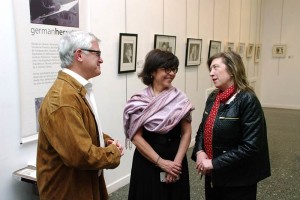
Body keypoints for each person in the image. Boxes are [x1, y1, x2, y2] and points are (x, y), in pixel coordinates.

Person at [37, 30, 124, 200]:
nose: (101, 59)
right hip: (68, 190)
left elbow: (81, 129)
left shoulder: (75, 90)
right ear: (79, 55)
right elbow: (80, 156)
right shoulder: (63, 98)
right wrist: (113, 153)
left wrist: (104, 140)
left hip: (82, 184)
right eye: (97, 53)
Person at [191, 51, 271, 200]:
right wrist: (200, 151)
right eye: (210, 69)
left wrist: (214, 163)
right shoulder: (214, 96)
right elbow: (203, 128)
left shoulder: (247, 99)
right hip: (214, 176)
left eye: (216, 68)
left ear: (232, 70)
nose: (211, 73)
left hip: (238, 180)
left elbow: (251, 146)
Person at [123, 49, 194, 200]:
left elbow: (187, 133)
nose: (172, 73)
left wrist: (176, 164)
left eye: (174, 69)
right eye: (166, 69)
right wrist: (161, 163)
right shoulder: (139, 101)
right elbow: (136, 138)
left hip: (176, 158)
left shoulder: (180, 99)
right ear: (152, 71)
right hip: (147, 161)